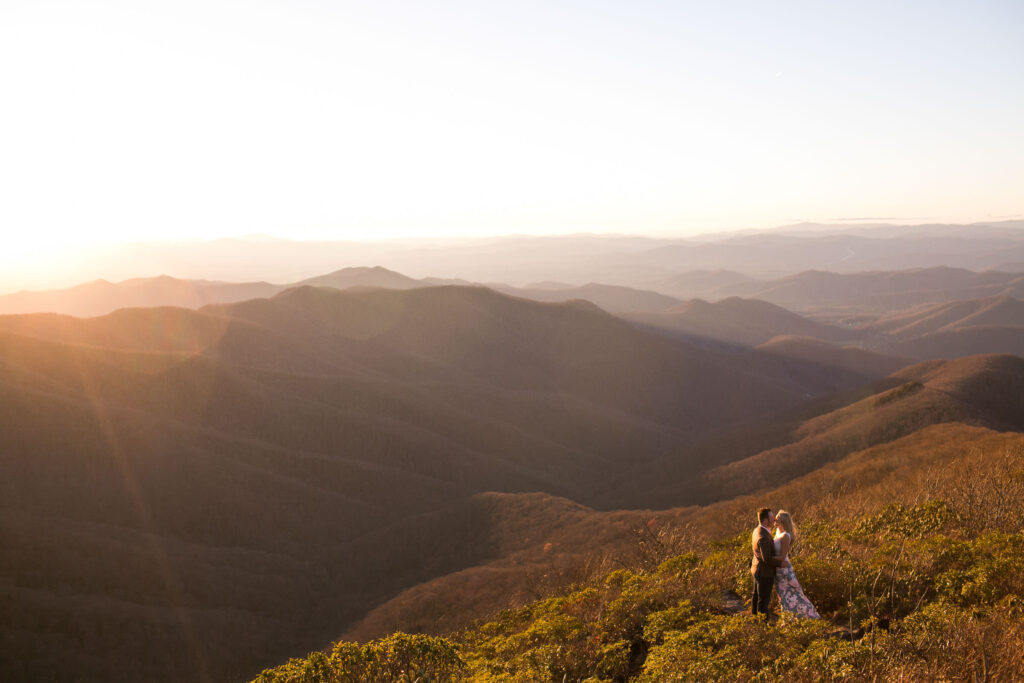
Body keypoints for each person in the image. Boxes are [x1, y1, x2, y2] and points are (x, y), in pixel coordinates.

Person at [772, 510, 820, 619]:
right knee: (783, 596)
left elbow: (782, 556)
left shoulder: (785, 536)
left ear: (783, 521)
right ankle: (790, 619)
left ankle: (810, 615)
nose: (775, 520)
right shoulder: (777, 534)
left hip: (783, 569)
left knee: (793, 594)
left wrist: (766, 559)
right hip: (778, 569)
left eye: (778, 518)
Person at [750, 507, 782, 619]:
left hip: (756, 569)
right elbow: (767, 558)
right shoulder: (763, 536)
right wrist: (780, 564)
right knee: (763, 601)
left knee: (756, 597)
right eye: (771, 518)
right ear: (764, 520)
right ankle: (762, 625)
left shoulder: (757, 530)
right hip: (764, 573)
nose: (774, 520)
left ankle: (754, 620)